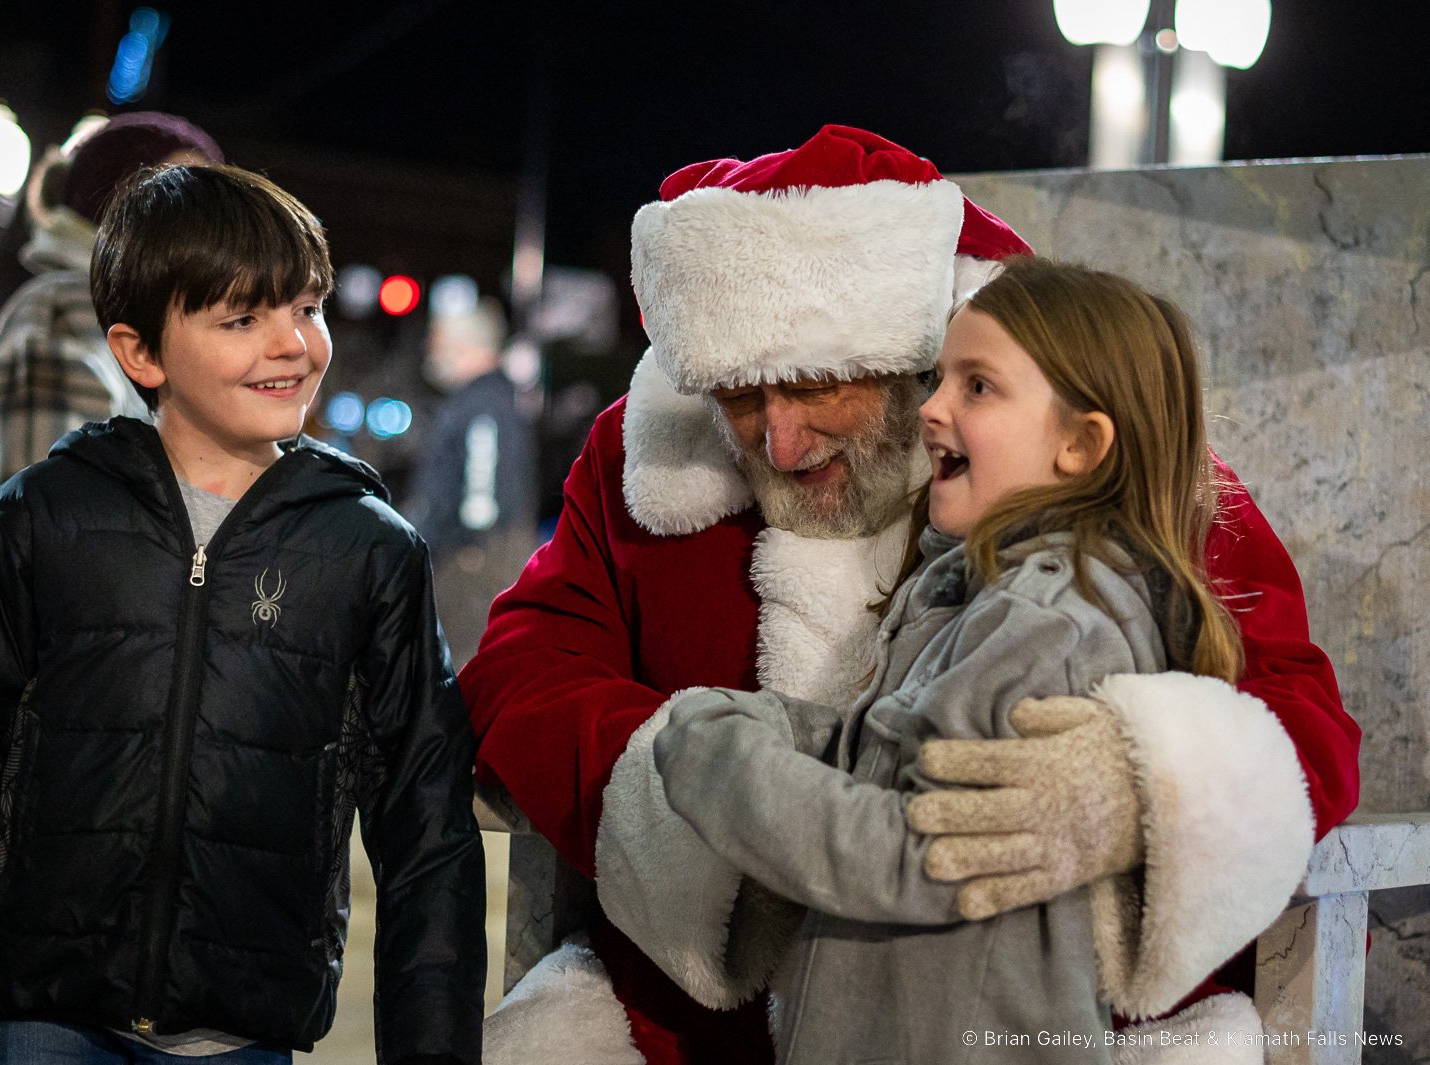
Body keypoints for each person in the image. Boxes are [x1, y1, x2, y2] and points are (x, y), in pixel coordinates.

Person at [463, 126, 1360, 1065]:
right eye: (739, 398)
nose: (779, 443)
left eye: (817, 389)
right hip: (704, 1023)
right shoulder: (644, 454)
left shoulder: (1105, 468)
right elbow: (524, 663)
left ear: (913, 358)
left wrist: (1138, 785)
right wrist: (703, 820)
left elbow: (1305, 720)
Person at [0, 164, 485, 1065]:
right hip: (44, 1025)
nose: (293, 344)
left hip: (244, 1036)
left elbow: (428, 837)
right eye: (243, 318)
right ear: (141, 352)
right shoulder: (38, 521)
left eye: (307, 307)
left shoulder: (370, 551)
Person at [653, 257, 1312, 1063]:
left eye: (977, 386)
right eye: (939, 377)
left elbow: (928, 852)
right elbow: (897, 759)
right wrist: (776, 720)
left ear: (1079, 444)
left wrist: (716, 756)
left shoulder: (1051, 619)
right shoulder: (986, 589)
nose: (930, 407)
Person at [0, 111, 223, 499]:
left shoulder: (150, 319)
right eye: (185, 197)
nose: (213, 225)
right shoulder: (64, 312)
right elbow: (47, 524)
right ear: (116, 205)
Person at [404, 297, 538, 664]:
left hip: (473, 566)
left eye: (439, 340)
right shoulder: (489, 400)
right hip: (476, 562)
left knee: (462, 674)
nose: (433, 350)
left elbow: (482, 500)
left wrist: (462, 549)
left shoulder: (484, 405)